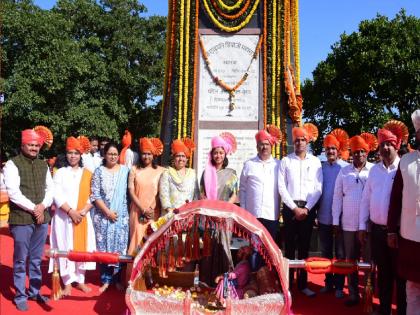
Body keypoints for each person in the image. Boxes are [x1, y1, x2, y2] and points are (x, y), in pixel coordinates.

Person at [359, 121, 408, 315]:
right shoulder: (374, 171)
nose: (385, 148)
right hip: (377, 232)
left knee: (400, 276)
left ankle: (402, 311)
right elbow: (365, 199)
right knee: (383, 275)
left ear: (396, 145)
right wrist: (362, 226)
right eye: (382, 145)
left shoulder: (403, 168)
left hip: (398, 232)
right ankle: (384, 309)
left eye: (389, 144)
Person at [3, 128, 54, 311]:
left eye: (36, 145)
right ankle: (20, 295)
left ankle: (34, 291)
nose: (33, 148)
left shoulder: (43, 164)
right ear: (23, 145)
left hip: (42, 217)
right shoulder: (12, 164)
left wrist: (42, 207)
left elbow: (51, 189)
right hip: (21, 218)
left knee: (35, 259)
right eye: (30, 145)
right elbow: (14, 193)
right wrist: (35, 208)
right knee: (20, 259)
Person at [332, 132, 377, 306]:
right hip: (348, 225)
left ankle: (367, 293)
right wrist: (336, 221)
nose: (358, 155)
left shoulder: (374, 170)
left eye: (361, 152)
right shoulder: (344, 172)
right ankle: (352, 293)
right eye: (355, 152)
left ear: (367, 153)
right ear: (351, 153)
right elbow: (337, 197)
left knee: (367, 261)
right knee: (350, 261)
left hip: (367, 226)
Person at [278, 123, 322, 297]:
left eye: (303, 140)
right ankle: (286, 286)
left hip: (308, 208)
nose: (300, 143)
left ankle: (303, 284)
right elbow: (282, 187)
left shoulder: (316, 161)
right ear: (293, 142)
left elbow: (318, 187)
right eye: (297, 140)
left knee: (304, 248)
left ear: (308, 141)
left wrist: (307, 208)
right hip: (290, 208)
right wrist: (295, 208)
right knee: (288, 249)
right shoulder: (286, 160)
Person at [48, 137, 96, 296]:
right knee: (65, 247)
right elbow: (56, 194)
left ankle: (80, 280)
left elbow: (93, 195)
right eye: (70, 153)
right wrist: (71, 212)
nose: (73, 156)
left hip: (82, 217)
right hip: (63, 218)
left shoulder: (88, 174)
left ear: (81, 155)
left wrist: (82, 211)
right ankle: (67, 282)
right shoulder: (60, 172)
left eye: (76, 153)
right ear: (66, 155)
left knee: (81, 248)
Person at [387, 109, 420, 315]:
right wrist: (391, 230)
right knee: (412, 286)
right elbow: (395, 199)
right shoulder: (406, 162)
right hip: (409, 235)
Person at [240, 125, 281, 271]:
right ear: (257, 147)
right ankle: (253, 279)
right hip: (253, 215)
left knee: (269, 249)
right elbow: (243, 189)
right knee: (254, 249)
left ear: (271, 146)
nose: (264, 147)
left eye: (266, 144)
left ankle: (269, 281)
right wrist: (244, 212)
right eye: (261, 145)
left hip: (271, 214)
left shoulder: (279, 165)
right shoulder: (249, 164)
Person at [91, 142, 129, 293]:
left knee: (120, 248)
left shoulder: (126, 171)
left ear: (119, 155)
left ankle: (117, 279)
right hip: (103, 217)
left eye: (115, 154)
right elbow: (95, 194)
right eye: (110, 154)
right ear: (104, 155)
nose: (113, 156)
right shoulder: (99, 171)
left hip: (121, 217)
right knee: (104, 248)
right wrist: (107, 212)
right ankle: (106, 280)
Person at [200, 132, 238, 280]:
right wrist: (211, 213)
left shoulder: (231, 173)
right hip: (209, 217)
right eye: (216, 153)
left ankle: (226, 282)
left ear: (225, 154)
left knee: (223, 247)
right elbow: (202, 195)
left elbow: (234, 195)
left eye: (221, 152)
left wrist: (223, 212)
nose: (218, 156)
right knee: (209, 248)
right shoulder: (206, 173)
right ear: (212, 154)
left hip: (225, 217)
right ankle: (207, 282)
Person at [317, 129, 349, 298]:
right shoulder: (321, 168)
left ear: (338, 150)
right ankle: (328, 283)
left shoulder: (345, 168)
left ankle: (339, 286)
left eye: (333, 149)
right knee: (325, 253)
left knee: (340, 254)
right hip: (323, 217)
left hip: (342, 219)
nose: (330, 152)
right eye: (328, 149)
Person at [127, 137, 165, 256]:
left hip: (154, 213)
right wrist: (143, 209)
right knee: (137, 243)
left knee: (152, 244)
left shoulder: (162, 171)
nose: (146, 157)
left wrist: (152, 209)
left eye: (149, 154)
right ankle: (135, 274)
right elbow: (131, 191)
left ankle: (151, 274)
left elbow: (162, 193)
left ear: (153, 155)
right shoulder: (134, 170)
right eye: (144, 154)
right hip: (137, 212)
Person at [159, 138, 199, 213]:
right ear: (173, 158)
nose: (181, 159)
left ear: (187, 159)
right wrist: (170, 211)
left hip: (188, 215)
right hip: (171, 215)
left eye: (183, 156)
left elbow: (196, 196)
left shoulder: (192, 174)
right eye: (178, 156)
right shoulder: (167, 173)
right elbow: (163, 194)